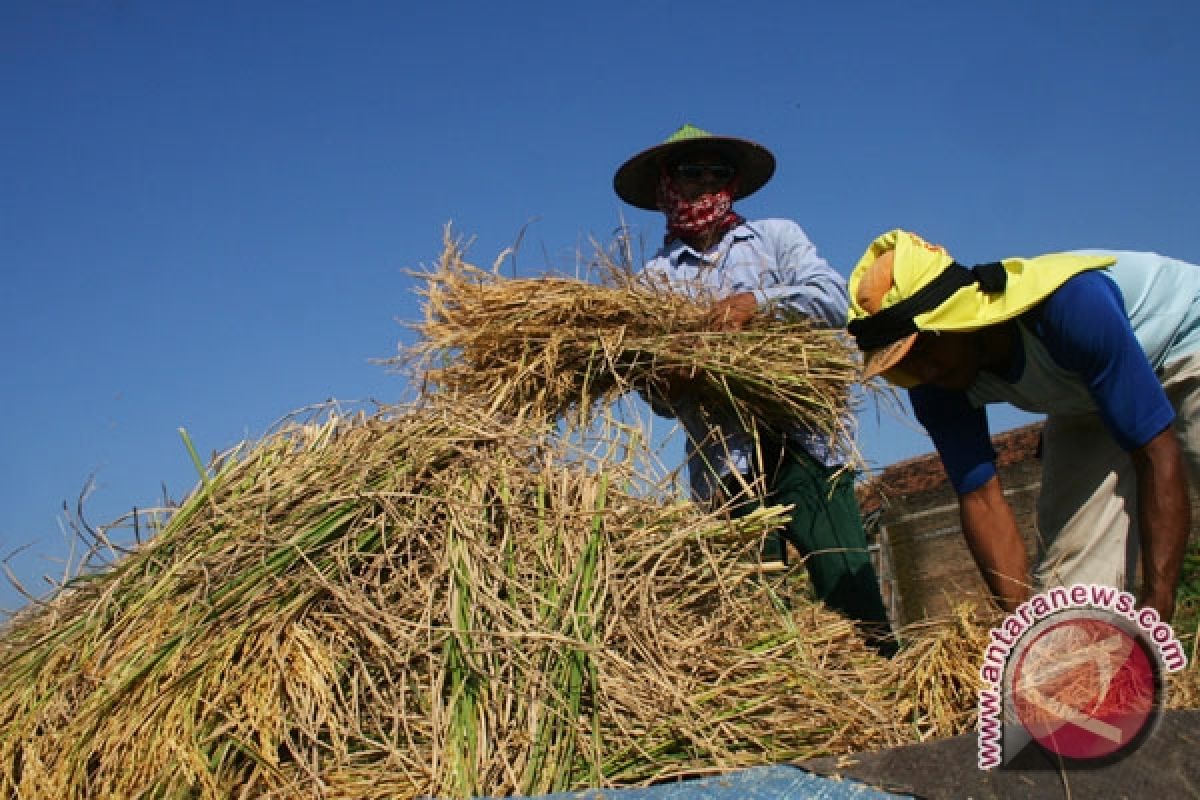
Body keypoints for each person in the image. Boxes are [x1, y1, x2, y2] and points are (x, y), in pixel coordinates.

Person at [613, 124, 894, 652]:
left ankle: (895, 694)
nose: (705, 184)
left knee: (852, 596)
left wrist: (756, 305)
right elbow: (654, 395)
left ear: (734, 183)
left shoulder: (776, 238)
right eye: (690, 173)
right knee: (754, 621)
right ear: (666, 185)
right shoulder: (652, 283)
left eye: (718, 172)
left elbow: (834, 300)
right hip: (726, 469)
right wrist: (671, 378)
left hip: (808, 450)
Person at [846, 229, 1200, 622]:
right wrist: (1024, 635)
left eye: (926, 348)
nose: (924, 370)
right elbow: (981, 499)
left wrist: (1158, 600)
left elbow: (1154, 451)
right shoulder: (934, 385)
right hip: (1087, 397)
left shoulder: (1070, 309)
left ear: (958, 317)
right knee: (1067, 595)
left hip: (1186, 339)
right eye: (906, 363)